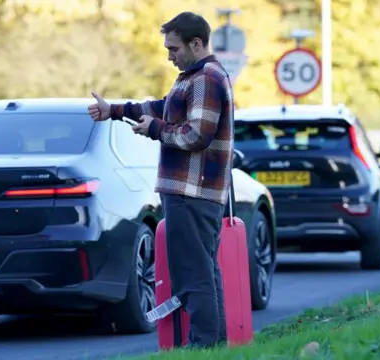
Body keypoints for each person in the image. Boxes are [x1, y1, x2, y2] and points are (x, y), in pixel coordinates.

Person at [87, 11, 234, 348]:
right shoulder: (195, 76)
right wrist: (115, 110)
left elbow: (196, 135)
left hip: (191, 191)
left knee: (193, 272)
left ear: (196, 44)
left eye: (174, 48)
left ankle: (205, 345)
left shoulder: (205, 79)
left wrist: (154, 131)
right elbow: (163, 107)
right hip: (193, 191)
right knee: (204, 270)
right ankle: (214, 345)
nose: (169, 56)